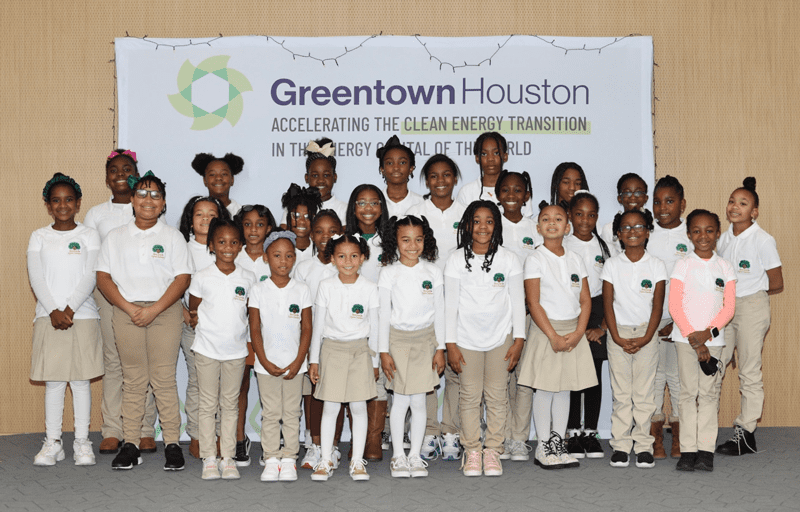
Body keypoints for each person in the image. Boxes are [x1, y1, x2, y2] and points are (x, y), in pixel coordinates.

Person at [96, 171, 191, 471]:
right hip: (126, 313)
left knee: (163, 379)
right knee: (134, 380)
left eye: (155, 195)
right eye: (142, 194)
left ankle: (173, 444)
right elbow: (103, 278)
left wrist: (154, 309)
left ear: (163, 204)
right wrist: (127, 306)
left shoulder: (172, 236)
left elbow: (182, 278)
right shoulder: (116, 237)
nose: (148, 200)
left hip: (165, 312)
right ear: (133, 201)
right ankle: (131, 444)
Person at [83, 149, 158, 455]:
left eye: (127, 169)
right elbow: (92, 261)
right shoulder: (96, 214)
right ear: (106, 178)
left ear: (136, 174)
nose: (120, 175)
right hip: (109, 294)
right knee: (114, 362)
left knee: (146, 362)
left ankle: (143, 429)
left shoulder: (149, 207)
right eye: (113, 170)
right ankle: (112, 429)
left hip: (147, 295)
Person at [444, 200, 525, 477]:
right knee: (468, 396)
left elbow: (517, 302)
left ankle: (493, 451)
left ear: (496, 225)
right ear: (467, 225)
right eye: (476, 221)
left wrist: (519, 340)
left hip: (501, 339)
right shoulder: (455, 260)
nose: (482, 226)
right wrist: (450, 345)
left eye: (489, 221)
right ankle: (472, 451)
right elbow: (450, 306)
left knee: (497, 396)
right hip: (465, 340)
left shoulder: (510, 259)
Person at [29, 173, 103, 466]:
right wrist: (53, 310)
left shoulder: (88, 236)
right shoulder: (39, 236)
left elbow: (90, 274)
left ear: (78, 203)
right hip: (48, 318)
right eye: (56, 200)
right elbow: (36, 276)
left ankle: (83, 443)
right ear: (48, 205)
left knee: (82, 381)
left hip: (82, 316)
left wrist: (70, 309)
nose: (63, 205)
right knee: (55, 382)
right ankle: (53, 443)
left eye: (68, 199)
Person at [518, 202, 596, 470]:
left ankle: (558, 442)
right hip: (545, 331)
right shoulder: (535, 259)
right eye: (546, 219)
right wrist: (552, 335)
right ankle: (543, 446)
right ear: (538, 227)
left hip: (573, 331)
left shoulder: (576, 259)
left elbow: (585, 300)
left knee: (564, 388)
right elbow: (534, 301)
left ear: (568, 226)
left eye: (559, 218)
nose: (552, 223)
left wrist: (577, 333)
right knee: (545, 388)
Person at [715, 177, 783, 456]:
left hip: (751, 307)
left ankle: (746, 434)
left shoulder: (763, 240)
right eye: (732, 201)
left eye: (743, 203)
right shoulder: (723, 238)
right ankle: (705, 428)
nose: (735, 207)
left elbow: (777, 282)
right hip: (724, 308)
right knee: (715, 365)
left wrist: (748, 288)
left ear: (754, 211)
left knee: (749, 372)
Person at [406, 154, 466, 460]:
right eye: (433, 176)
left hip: (459, 301)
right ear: (425, 181)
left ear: (455, 178)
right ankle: (428, 429)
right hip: (424, 303)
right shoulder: (416, 212)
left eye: (446, 175)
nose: (440, 181)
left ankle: (451, 429)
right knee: (426, 369)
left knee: (456, 367)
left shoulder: (467, 213)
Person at [308, 234, 380, 482]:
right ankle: (326, 459)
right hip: (332, 350)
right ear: (332, 259)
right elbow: (318, 327)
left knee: (359, 408)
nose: (347, 261)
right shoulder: (326, 287)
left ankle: (357, 461)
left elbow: (376, 327)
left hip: (360, 351)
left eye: (353, 256)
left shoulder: (370, 288)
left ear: (362, 257)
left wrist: (375, 362)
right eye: (341, 256)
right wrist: (313, 360)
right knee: (331, 407)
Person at [188, 218, 255, 480]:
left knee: (230, 405)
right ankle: (209, 458)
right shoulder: (202, 277)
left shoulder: (247, 278)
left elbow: (249, 313)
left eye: (233, 242)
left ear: (240, 245)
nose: (228, 247)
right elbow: (194, 308)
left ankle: (227, 457)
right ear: (212, 245)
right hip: (206, 349)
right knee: (207, 404)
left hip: (236, 352)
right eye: (222, 242)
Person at [669, 209, 736, 472]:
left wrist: (708, 335)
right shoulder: (682, 264)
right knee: (687, 394)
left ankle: (705, 450)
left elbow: (728, 309)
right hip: (685, 340)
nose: (703, 236)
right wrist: (694, 339)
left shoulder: (725, 267)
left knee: (708, 395)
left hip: (714, 342)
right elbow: (675, 306)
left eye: (709, 230)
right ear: (688, 235)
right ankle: (688, 450)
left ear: (718, 234)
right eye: (696, 231)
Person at [378, 215, 445, 478]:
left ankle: (415, 456)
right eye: (405, 240)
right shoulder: (388, 273)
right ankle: (398, 456)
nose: (412, 245)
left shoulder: (433, 271)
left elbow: (439, 312)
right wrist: (384, 351)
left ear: (425, 240)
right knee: (400, 401)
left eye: (418, 239)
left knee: (419, 401)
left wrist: (440, 348)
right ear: (395, 241)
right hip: (397, 341)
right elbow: (383, 315)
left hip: (425, 341)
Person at [602, 208, 666, 469]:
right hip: (618, 333)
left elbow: (657, 307)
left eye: (638, 226)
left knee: (643, 393)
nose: (632, 232)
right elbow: (608, 304)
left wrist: (646, 337)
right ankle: (620, 445)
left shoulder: (656, 265)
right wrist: (616, 336)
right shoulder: (612, 265)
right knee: (621, 393)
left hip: (646, 334)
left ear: (648, 232)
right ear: (618, 234)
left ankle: (643, 445)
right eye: (626, 227)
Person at [249, 231, 312, 482]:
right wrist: (263, 360)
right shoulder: (258, 289)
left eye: (288, 255)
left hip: (295, 365)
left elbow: (307, 328)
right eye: (276, 255)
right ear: (266, 258)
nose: (283, 261)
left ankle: (289, 459)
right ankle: (272, 457)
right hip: (266, 365)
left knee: (292, 413)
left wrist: (298, 361)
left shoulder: (302, 289)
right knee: (271, 412)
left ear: (295, 258)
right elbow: (254, 328)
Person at [178, 195, 230, 458]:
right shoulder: (181, 247)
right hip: (193, 327)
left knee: (222, 385)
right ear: (190, 219)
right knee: (198, 383)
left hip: (223, 329)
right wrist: (185, 313)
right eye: (199, 213)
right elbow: (171, 284)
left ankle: (220, 434)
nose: (206, 218)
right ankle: (197, 434)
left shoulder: (227, 246)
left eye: (212, 213)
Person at [494, 170, 540, 462]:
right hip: (496, 315)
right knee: (500, 378)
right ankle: (502, 434)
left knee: (524, 378)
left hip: (526, 312)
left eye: (518, 190)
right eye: (505, 190)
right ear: (496, 194)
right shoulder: (489, 224)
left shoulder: (534, 227)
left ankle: (519, 438)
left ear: (526, 195)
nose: (512, 195)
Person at [293, 210, 344, 471]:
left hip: (339, 341)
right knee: (314, 394)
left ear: (342, 231)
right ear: (311, 235)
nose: (326, 236)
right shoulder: (303, 268)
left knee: (336, 394)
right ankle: (315, 445)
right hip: (312, 340)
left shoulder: (346, 264)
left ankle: (332, 447)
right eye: (320, 231)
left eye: (333, 231)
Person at [563, 191, 611, 459]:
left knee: (593, 373)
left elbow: (612, 289)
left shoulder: (604, 247)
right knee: (572, 374)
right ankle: (571, 431)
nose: (585, 220)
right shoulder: (564, 244)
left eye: (591, 215)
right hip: (570, 311)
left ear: (597, 217)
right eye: (579, 214)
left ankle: (590, 432)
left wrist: (603, 324)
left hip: (597, 312)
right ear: (570, 215)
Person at [648, 175, 692, 458]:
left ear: (682, 204)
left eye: (669, 201)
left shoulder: (691, 235)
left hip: (682, 321)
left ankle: (679, 436)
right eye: (657, 201)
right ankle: (654, 437)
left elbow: (697, 283)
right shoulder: (645, 233)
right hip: (651, 320)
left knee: (677, 378)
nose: (662, 207)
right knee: (652, 377)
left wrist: (679, 320)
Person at [345, 184, 391, 459]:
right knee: (353, 383)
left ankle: (373, 440)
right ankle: (357, 439)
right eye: (361, 202)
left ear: (382, 208)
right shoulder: (344, 239)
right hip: (350, 322)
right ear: (353, 208)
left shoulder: (389, 241)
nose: (368, 208)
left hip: (382, 320)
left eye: (374, 202)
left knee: (379, 379)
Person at [231, 204, 276, 466]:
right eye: (247, 224)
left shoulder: (277, 255)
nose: (253, 230)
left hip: (275, 335)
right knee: (240, 388)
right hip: (241, 334)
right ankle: (239, 438)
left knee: (273, 389)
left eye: (260, 224)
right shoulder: (233, 256)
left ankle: (274, 439)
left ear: (269, 228)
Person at [457, 132, 533, 217]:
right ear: (477, 158)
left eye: (496, 153)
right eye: (484, 154)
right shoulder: (466, 192)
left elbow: (526, 223)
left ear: (505, 156)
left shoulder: (520, 188)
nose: (490, 159)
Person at [279, 138, 348, 228]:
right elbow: (283, 234)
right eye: (315, 175)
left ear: (334, 177)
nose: (320, 180)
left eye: (326, 175)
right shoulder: (295, 206)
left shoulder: (344, 209)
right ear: (306, 178)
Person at [600, 173, 649, 255]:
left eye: (638, 192)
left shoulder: (653, 227)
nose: (633, 197)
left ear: (645, 198)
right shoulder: (609, 229)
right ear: (619, 198)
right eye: (627, 193)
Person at [377, 135, 423, 218]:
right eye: (390, 163)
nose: (396, 168)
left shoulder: (421, 203)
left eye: (402, 162)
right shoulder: (375, 202)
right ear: (382, 169)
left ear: (411, 168)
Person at [191, 152, 244, 218]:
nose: (218, 178)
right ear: (205, 181)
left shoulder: (243, 215)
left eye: (224, 174)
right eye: (212, 174)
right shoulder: (194, 212)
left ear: (232, 180)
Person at [282, 184, 323, 265]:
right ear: (288, 218)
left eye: (307, 216)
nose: (301, 221)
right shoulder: (281, 249)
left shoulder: (320, 250)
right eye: (296, 216)